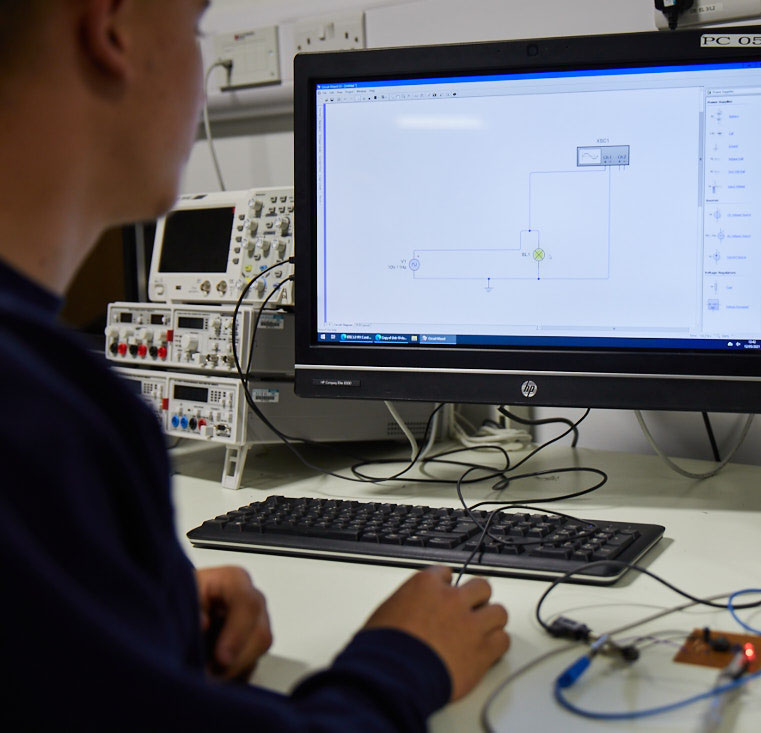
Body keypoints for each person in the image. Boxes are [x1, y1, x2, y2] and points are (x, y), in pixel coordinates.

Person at [0, 1, 509, 729]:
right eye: (195, 27)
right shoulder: (42, 418)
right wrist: (403, 656)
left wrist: (145, 610)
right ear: (110, 29)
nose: (200, 71)